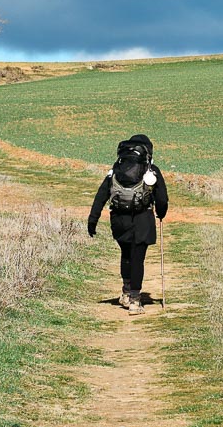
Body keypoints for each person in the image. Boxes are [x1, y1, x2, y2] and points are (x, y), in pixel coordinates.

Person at [87, 133, 169, 315]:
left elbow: (101, 195)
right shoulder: (151, 171)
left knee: (126, 255)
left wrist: (93, 220)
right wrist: (161, 213)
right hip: (143, 219)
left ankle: (125, 292)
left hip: (119, 220)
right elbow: (162, 199)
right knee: (138, 258)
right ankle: (134, 300)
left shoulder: (116, 170)